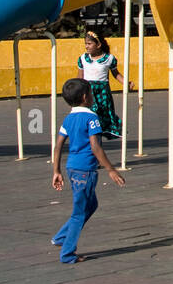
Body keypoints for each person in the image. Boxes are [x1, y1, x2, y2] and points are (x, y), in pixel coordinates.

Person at [51, 78, 125, 264]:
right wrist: (111, 170)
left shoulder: (69, 118)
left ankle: (61, 237)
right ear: (85, 97)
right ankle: (67, 254)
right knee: (79, 212)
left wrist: (56, 170)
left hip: (72, 167)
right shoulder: (92, 118)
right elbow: (96, 147)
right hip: (86, 170)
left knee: (90, 205)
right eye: (91, 94)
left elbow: (58, 145)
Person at [76, 30, 121, 139]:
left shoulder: (109, 59)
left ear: (99, 44)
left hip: (103, 93)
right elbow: (79, 78)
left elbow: (116, 74)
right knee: (90, 115)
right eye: (85, 44)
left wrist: (126, 83)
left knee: (102, 117)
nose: (87, 46)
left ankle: (98, 139)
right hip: (88, 92)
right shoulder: (83, 59)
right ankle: (91, 139)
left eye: (89, 44)